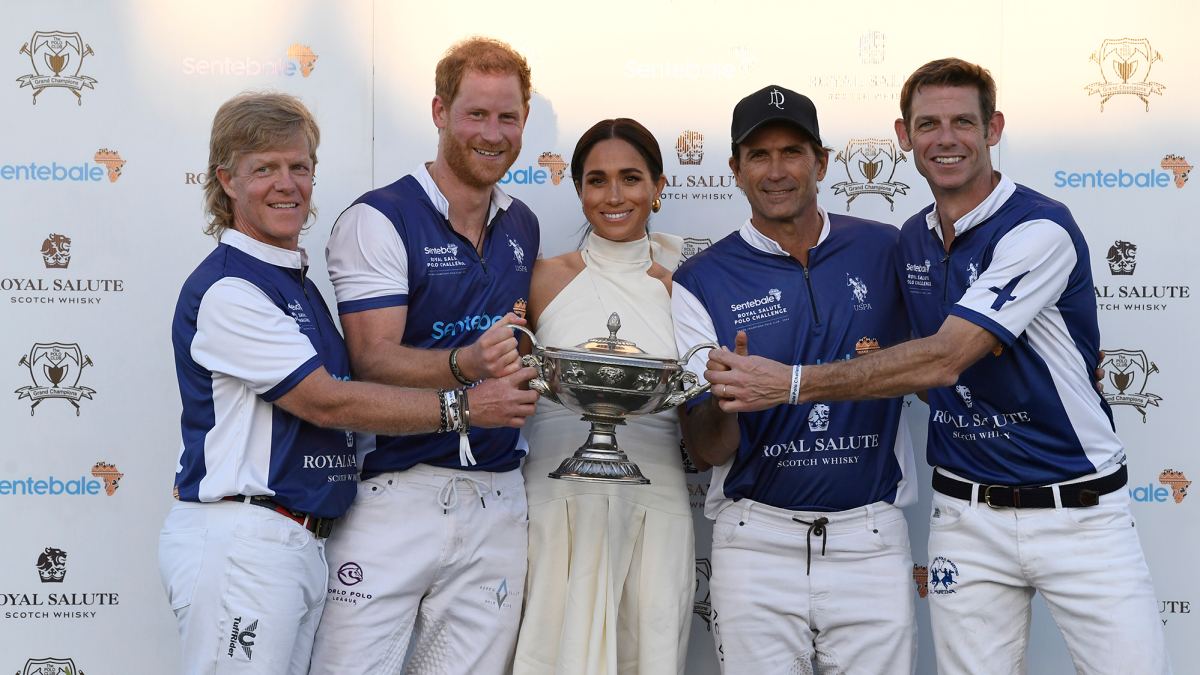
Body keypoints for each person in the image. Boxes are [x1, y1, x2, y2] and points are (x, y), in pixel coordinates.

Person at [704, 59, 1171, 675]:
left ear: (993, 128)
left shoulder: (1037, 228)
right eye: (928, 124)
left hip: (1078, 511)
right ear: (904, 136)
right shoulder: (912, 240)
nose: (944, 139)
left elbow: (946, 358)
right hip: (965, 518)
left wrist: (791, 383)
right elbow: (913, 370)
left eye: (962, 122)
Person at [158, 92, 536, 674]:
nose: (286, 184)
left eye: (299, 167)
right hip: (245, 539)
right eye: (264, 169)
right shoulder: (231, 288)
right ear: (227, 181)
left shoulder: (293, 281)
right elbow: (326, 402)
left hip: (298, 542)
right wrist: (464, 407)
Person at [308, 37, 542, 674]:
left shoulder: (522, 222)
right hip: (396, 493)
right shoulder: (380, 217)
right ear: (440, 112)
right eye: (476, 114)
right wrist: (468, 370)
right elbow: (372, 358)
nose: (492, 133)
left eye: (507, 116)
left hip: (498, 497)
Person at [670, 85, 918, 674]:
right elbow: (705, 449)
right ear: (734, 169)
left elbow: (942, 363)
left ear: (822, 161)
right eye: (759, 155)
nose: (776, 171)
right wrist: (727, 398)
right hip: (756, 543)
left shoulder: (889, 250)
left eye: (792, 152)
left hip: (872, 537)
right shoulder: (701, 280)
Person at [512, 118, 696, 675]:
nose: (614, 196)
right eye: (597, 180)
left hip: (655, 499)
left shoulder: (683, 288)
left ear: (659, 186)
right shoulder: (540, 280)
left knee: (649, 650)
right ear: (578, 189)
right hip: (554, 498)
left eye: (631, 178)